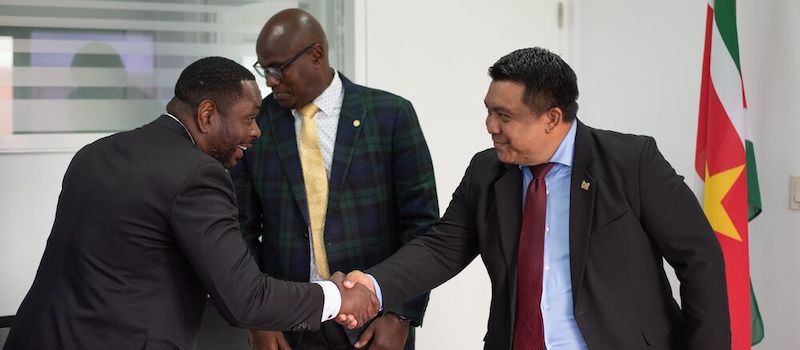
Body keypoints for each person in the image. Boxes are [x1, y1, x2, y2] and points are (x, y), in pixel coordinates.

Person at [343, 47, 731, 350]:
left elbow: (699, 259)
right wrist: (374, 286)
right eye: (488, 111)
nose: (489, 126)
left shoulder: (631, 162)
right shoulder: (487, 171)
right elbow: (441, 248)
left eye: (504, 116)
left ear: (551, 117)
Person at [5, 56, 378, 350]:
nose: (256, 132)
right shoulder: (198, 176)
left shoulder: (96, 152)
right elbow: (245, 299)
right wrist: (337, 297)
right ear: (207, 115)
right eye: (249, 118)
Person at [230, 8, 439, 350]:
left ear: (316, 54)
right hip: (288, 323)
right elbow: (241, 230)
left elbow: (422, 227)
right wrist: (256, 317)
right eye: (264, 70)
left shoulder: (390, 116)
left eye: (278, 69)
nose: (270, 81)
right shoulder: (258, 126)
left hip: (374, 322)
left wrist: (402, 314)